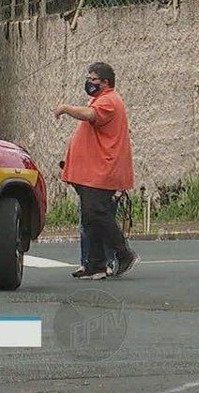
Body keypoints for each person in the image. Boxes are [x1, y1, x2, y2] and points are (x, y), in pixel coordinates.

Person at [54, 62, 140, 280]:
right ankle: (95, 264)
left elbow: (89, 115)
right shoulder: (101, 99)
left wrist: (65, 108)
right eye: (89, 78)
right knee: (90, 219)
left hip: (102, 172)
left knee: (97, 213)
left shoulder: (109, 101)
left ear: (105, 82)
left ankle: (123, 253)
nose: (89, 82)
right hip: (91, 173)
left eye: (94, 79)